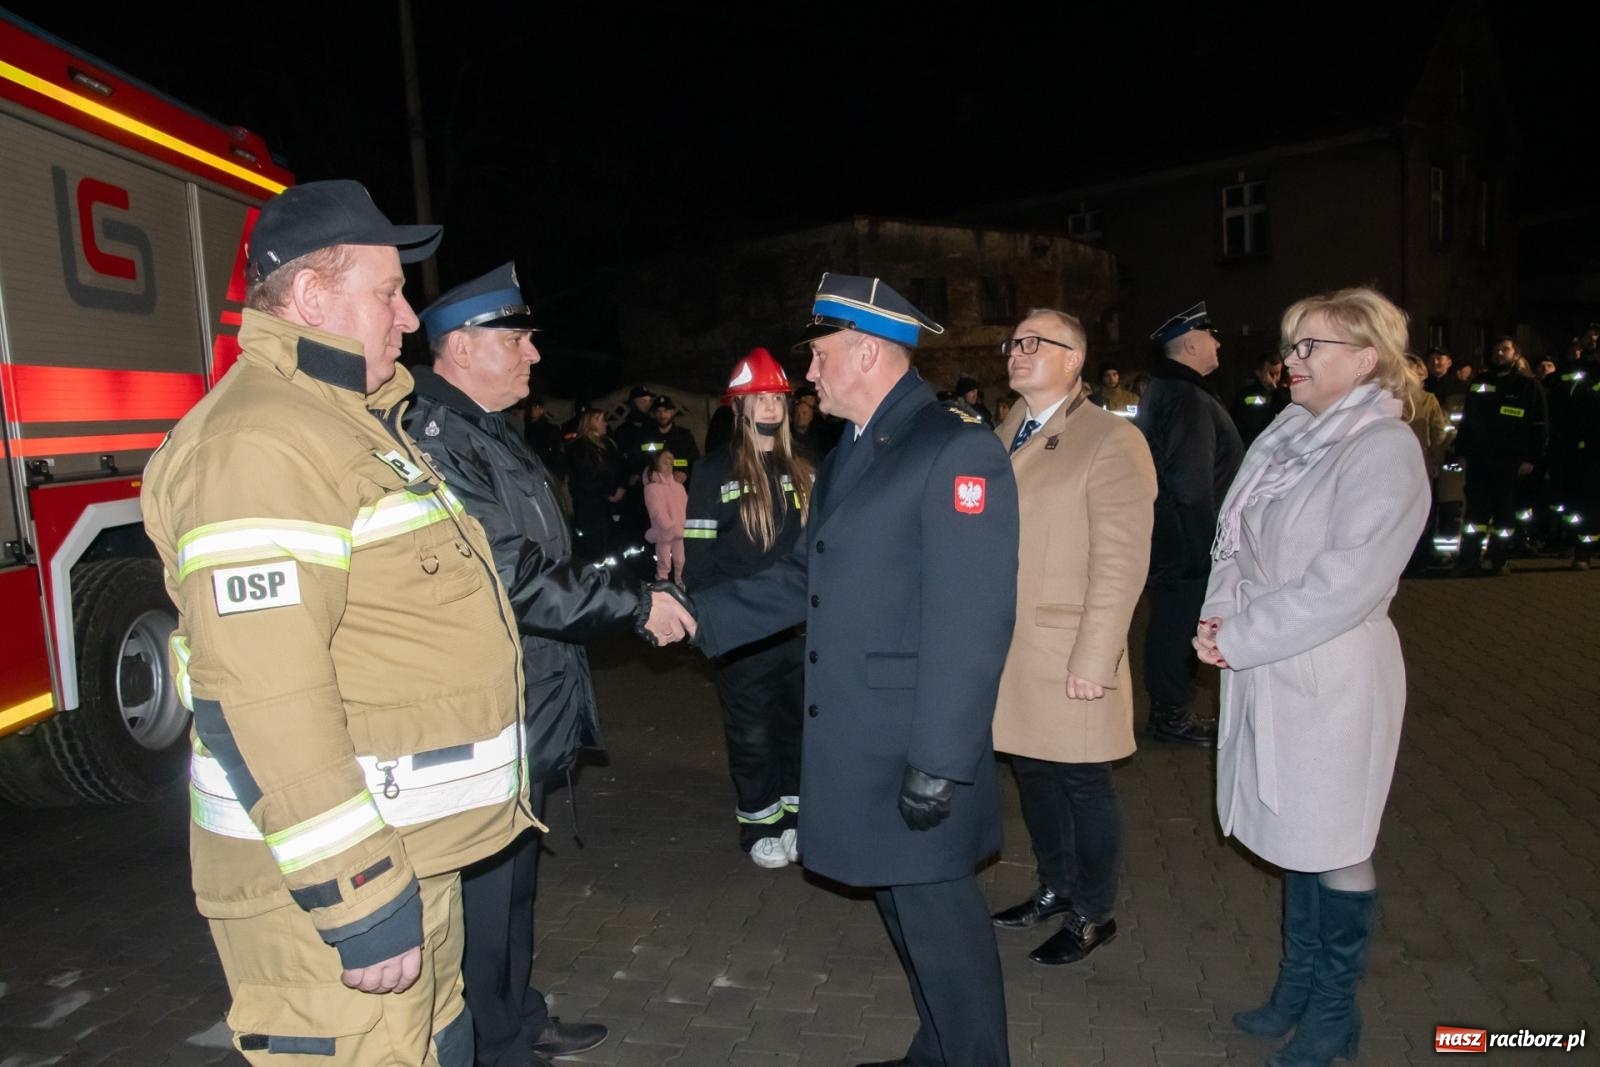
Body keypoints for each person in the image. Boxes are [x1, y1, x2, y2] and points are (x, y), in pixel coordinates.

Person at [140, 181, 532, 1066]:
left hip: (404, 860)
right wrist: (356, 895)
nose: (406, 314)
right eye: (386, 291)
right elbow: (265, 690)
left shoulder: (346, 420)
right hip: (330, 894)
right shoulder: (263, 443)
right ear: (312, 298)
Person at [686, 274, 1019, 1066]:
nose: (809, 374)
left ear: (866, 352)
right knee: (906, 916)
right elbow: (805, 576)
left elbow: (973, 620)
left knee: (943, 927)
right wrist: (694, 614)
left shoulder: (953, 447)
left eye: (820, 354)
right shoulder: (856, 450)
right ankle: (937, 1050)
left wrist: (941, 758)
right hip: (864, 739)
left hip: (913, 745)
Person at [406, 264, 695, 1066]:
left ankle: (514, 1021)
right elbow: (510, 571)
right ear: (461, 347)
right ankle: (489, 1042)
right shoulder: (439, 435)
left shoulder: (489, 426)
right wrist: (633, 606)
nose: (534, 353)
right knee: (485, 896)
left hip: (529, 693)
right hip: (486, 704)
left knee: (515, 883)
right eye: (517, 337)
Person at [1195, 287, 1428, 1067]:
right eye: (1292, 345)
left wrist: (1244, 635)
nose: (1291, 359)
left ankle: (1334, 1016)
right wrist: (1219, 617)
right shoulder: (1289, 435)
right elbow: (1236, 540)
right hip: (1270, 659)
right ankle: (1295, 986)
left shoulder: (1382, 450)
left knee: (1335, 839)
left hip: (1331, 668)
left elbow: (1347, 579)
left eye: (1310, 347)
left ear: (1365, 359)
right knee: (1292, 829)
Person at [988, 310, 1156, 967]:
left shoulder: (1111, 439)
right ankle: (1055, 884)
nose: (1018, 350)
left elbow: (1122, 560)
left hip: (1069, 648)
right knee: (1032, 773)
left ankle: (1094, 911)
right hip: (1014, 649)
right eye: (1015, 340)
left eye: (1036, 342)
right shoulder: (1006, 429)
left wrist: (1098, 656)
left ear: (1073, 360)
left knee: (1085, 784)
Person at [684, 347, 815, 868]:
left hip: (800, 631)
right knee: (753, 732)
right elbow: (699, 562)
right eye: (757, 399)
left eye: (775, 398)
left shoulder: (804, 466)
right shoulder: (713, 472)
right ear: (739, 407)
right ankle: (759, 823)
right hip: (743, 632)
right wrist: (717, 624)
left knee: (798, 728)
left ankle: (798, 818)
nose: (768, 408)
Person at [1133, 300, 1243, 745]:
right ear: (1193, 343)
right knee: (1177, 627)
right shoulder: (1187, 398)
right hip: (1187, 540)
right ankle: (1171, 717)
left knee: (1170, 623)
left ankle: (1170, 712)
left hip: (1174, 536)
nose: (1218, 344)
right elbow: (1191, 483)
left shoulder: (1171, 391)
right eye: (1212, 336)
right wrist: (1206, 550)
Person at [1451, 336, 1547, 577]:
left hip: (1510, 462)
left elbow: (1539, 425)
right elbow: (1467, 421)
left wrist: (1531, 459)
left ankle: (1500, 558)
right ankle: (1468, 559)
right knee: (1475, 514)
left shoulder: (1528, 386)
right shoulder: (1480, 383)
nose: (1498, 352)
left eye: (1505, 349)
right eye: (1496, 348)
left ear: (1516, 355)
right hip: (1480, 460)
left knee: (1505, 514)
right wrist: (1461, 452)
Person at [566, 408, 626, 563]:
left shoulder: (609, 444)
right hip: (591, 506)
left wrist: (620, 487)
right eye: (601, 420)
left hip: (611, 504)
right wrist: (607, 492)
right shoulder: (579, 447)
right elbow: (585, 477)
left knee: (614, 543)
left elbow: (619, 467)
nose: (605, 423)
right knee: (595, 545)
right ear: (591, 422)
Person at [644, 450, 688, 585]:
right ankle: (662, 583)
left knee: (680, 560)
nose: (669, 466)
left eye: (671, 463)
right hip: (664, 531)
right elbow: (655, 510)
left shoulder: (679, 487)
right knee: (664, 561)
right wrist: (668, 526)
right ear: (656, 464)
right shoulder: (652, 488)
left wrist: (685, 523)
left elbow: (686, 505)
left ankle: (680, 582)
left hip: (680, 529)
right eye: (665, 463)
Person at [1231, 351, 1290, 446]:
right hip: (1252, 444)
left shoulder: (1283, 393)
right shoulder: (1247, 394)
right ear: (1258, 373)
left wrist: (1275, 390)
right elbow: (1256, 421)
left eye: (1278, 373)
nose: (1275, 378)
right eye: (1270, 374)